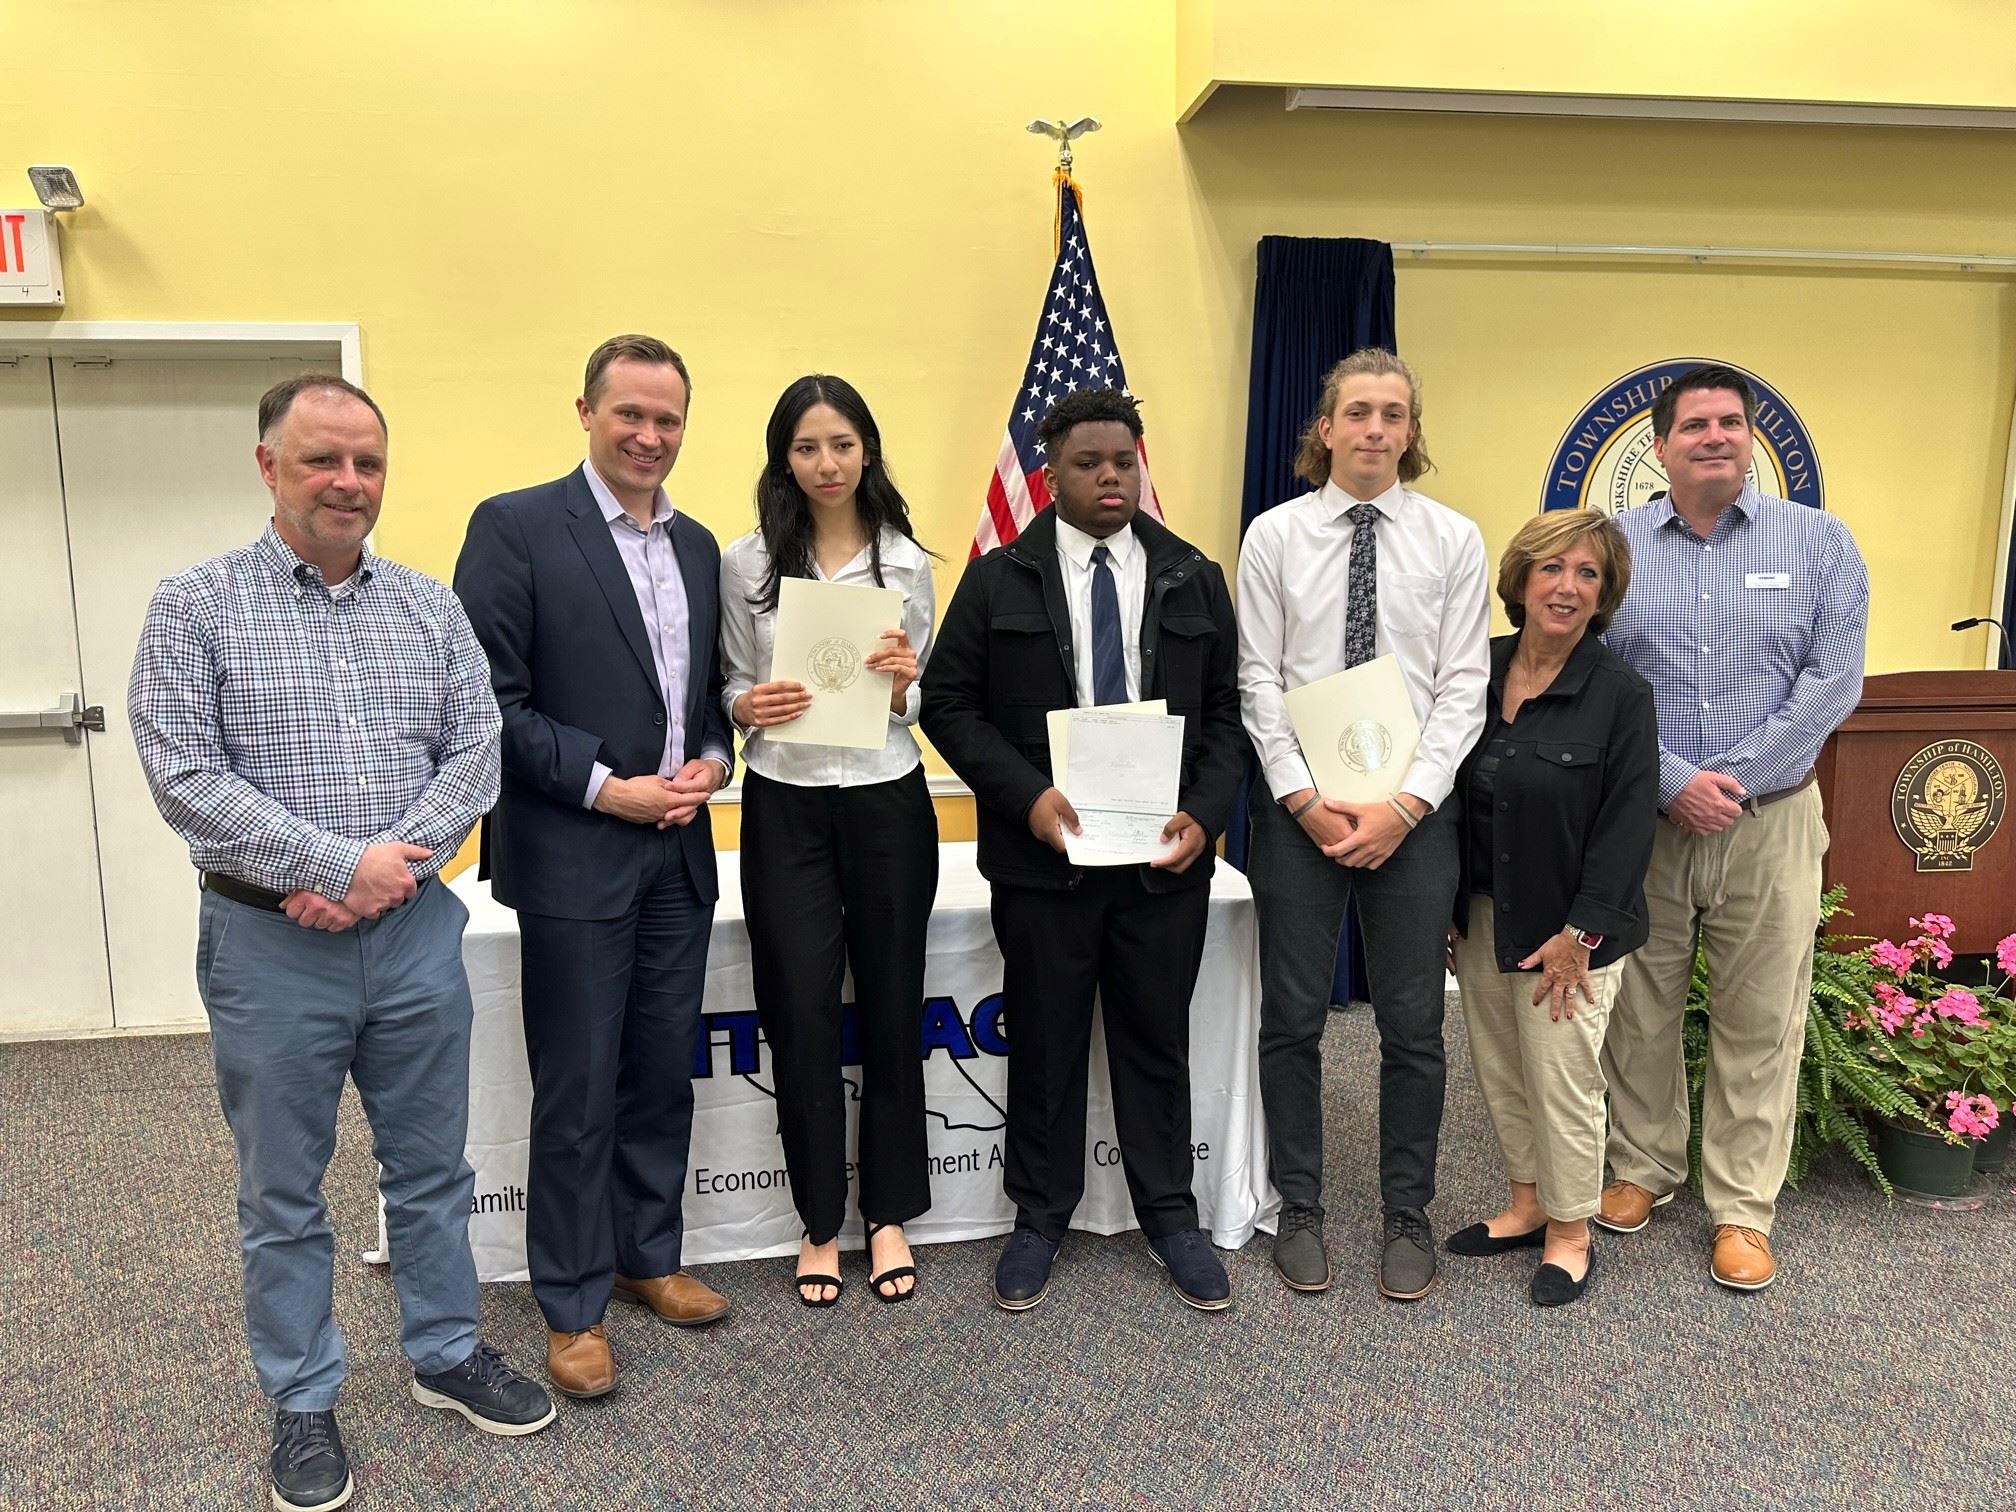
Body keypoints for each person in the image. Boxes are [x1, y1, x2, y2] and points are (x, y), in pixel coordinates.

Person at [129, 376, 552, 1512]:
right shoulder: (195, 605)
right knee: (283, 1190)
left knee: (431, 1168)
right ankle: (303, 1396)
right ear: (269, 466)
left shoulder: (428, 607)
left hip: (413, 935)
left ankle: (445, 1351)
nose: (347, 483)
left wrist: (381, 872)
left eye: (366, 462)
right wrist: (331, 865)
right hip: (268, 948)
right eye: (322, 460)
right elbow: (182, 773)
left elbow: (477, 753)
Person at [453, 335, 735, 1399]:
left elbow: (704, 694)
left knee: (663, 1072)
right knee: (576, 1089)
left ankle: (646, 1255)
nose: (650, 436)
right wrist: (605, 785)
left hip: (678, 856)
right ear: (585, 411)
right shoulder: (517, 526)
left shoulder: (701, 545)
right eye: (630, 415)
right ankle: (569, 1301)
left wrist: (713, 754)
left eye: (667, 420)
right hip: (577, 852)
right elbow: (488, 702)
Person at [922, 387, 1245, 1312]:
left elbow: (1228, 717)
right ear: (1048, 475)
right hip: (1044, 864)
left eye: (1123, 461)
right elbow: (948, 703)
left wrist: (1205, 812)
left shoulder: (1191, 574)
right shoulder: (999, 579)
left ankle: (1171, 1216)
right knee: (1050, 1041)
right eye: (1087, 463)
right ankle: (1039, 1217)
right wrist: (1024, 799)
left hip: (1160, 862)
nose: (1110, 476)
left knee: (1154, 1039)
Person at [1596, 365, 1869, 1290]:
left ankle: (1743, 1210)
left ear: (1749, 439)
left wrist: (1735, 783)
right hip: (1648, 820)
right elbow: (1593, 679)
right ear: (1661, 445)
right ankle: (1642, 1168)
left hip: (1774, 822)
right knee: (1641, 1005)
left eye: (1729, 423)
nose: (1714, 436)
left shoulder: (1822, 543)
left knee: (1762, 1018)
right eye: (1694, 425)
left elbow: (1834, 682)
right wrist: (1675, 781)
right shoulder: (1614, 547)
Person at [1237, 347, 1489, 1301]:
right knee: (1292, 1019)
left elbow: (1464, 686)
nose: (1376, 429)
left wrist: (1406, 805)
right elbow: (1257, 678)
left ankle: (1405, 1213)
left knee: (1416, 1027)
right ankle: (1298, 1205)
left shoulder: (1453, 540)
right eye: (1359, 413)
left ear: (1410, 432)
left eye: (1394, 414)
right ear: (1326, 429)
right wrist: (1301, 796)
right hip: (1298, 806)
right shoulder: (1275, 537)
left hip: (1414, 813)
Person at [719, 374, 939, 1306]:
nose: (826, 463)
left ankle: (887, 1212)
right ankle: (818, 1220)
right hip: (786, 803)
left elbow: (917, 701)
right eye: (807, 447)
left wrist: (900, 684)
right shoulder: (746, 563)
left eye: (842, 444)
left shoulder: (906, 560)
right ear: (784, 458)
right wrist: (747, 704)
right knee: (800, 1010)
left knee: (891, 1004)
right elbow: (730, 684)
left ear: (867, 451)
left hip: (888, 798)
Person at [1442, 509, 1659, 1307]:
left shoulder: (1620, 695)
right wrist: (1441, 901)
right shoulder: (1478, 669)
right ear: (1521, 581)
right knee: (1503, 1068)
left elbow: (1628, 825)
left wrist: (1581, 934)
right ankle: (1528, 1203)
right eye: (1552, 569)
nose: (1567, 587)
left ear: (1604, 595)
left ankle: (1570, 1231)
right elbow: (1445, 792)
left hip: (1569, 929)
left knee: (1564, 1078)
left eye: (1588, 574)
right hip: (1484, 915)